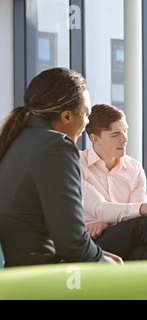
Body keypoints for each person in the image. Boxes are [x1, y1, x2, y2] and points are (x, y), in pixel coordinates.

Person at [0, 68, 120, 267]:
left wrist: (99, 254)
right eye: (86, 114)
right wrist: (104, 263)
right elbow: (71, 242)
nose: (87, 122)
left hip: (20, 275)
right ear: (66, 117)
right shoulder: (56, 147)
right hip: (48, 279)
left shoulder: (15, 140)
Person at [81, 104, 147, 260]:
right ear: (95, 139)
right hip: (92, 241)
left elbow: (136, 218)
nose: (125, 139)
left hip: (123, 237)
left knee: (144, 254)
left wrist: (108, 224)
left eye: (125, 131)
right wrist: (145, 208)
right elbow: (100, 209)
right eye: (116, 134)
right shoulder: (77, 165)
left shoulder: (134, 168)